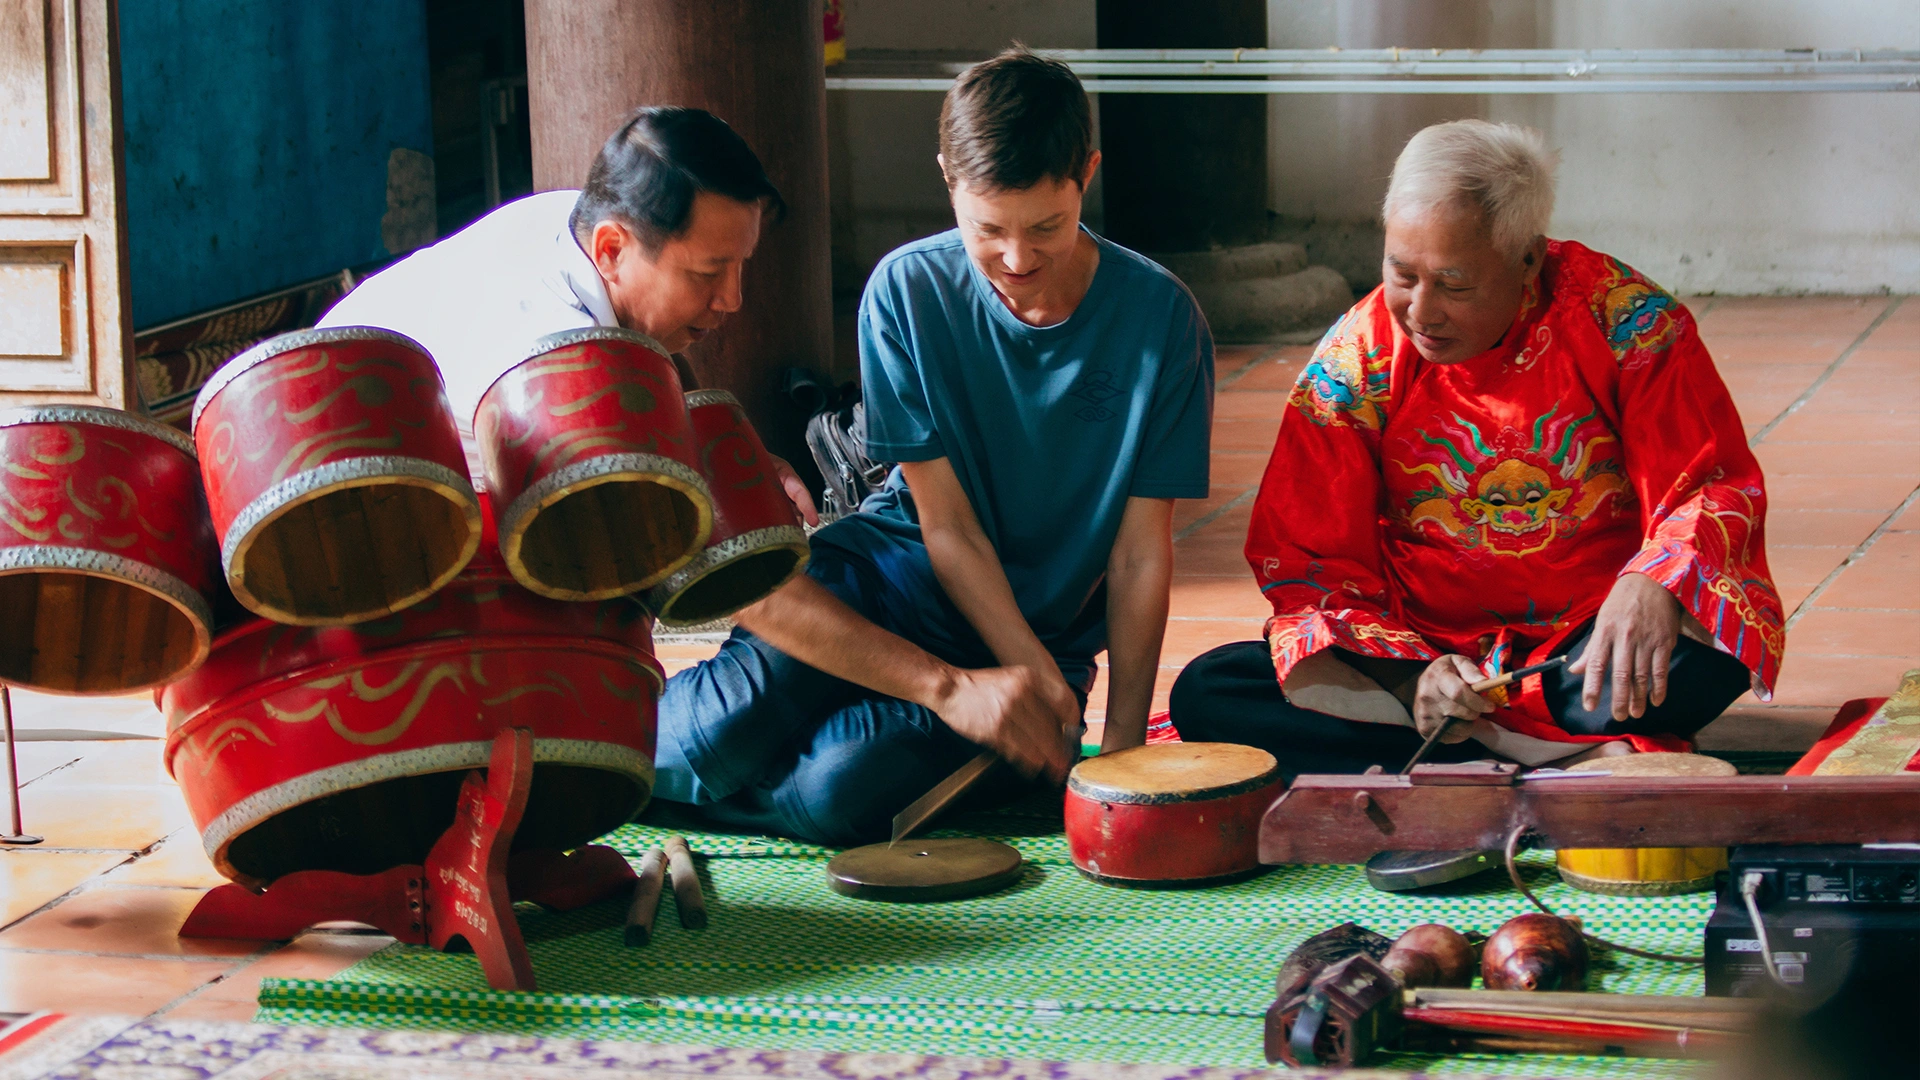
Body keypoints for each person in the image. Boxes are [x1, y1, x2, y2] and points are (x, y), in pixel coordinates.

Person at [652, 49, 1214, 844]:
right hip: (879, 581)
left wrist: (1119, 744)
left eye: (1046, 227)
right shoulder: (903, 291)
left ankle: (734, 767)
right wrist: (1021, 676)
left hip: (1039, 639)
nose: (1017, 261)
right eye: (988, 230)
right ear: (948, 177)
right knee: (715, 734)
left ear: (1085, 174)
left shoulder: (1163, 321)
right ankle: (591, 754)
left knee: (835, 793)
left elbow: (1137, 556)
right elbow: (944, 526)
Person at [1170, 119, 1781, 775]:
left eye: (1454, 285)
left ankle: (1460, 754)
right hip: (1423, 650)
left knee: (1712, 647)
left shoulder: (1625, 322)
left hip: (1581, 644)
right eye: (1401, 273)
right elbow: (1308, 561)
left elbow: (1710, 484)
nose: (1420, 311)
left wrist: (1651, 581)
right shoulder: (1358, 360)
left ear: (1526, 260)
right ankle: (1533, 751)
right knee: (1211, 691)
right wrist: (1414, 681)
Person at [318, 106, 816, 514]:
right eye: (707, 273)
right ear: (611, 250)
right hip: (339, 514)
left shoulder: (576, 218)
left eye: (740, 265)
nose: (733, 298)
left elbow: (651, 356)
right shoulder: (558, 355)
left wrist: (725, 448)